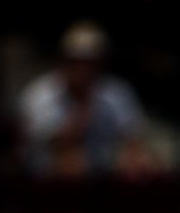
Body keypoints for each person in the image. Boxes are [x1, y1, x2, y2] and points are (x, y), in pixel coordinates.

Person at [16, 23, 158, 180]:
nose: (83, 69)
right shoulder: (39, 94)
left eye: (90, 62)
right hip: (47, 182)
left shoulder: (117, 92)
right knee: (72, 162)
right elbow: (59, 144)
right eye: (76, 61)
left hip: (107, 180)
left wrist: (133, 157)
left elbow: (134, 139)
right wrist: (84, 106)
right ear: (62, 60)